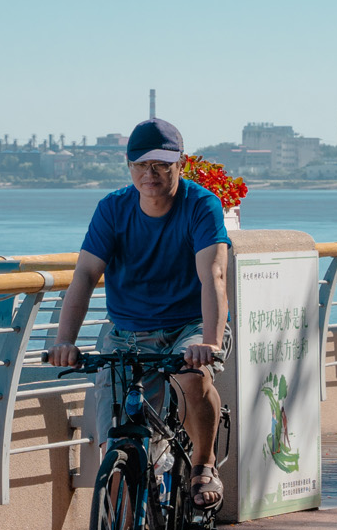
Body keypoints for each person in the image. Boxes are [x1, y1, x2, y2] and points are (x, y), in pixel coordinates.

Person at [47, 118, 230, 509]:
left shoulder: (201, 206)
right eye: (142, 165)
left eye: (162, 165)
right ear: (129, 167)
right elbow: (84, 275)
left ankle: (203, 464)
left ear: (180, 164)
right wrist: (64, 341)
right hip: (126, 331)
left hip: (189, 326)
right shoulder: (113, 209)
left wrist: (210, 343)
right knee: (115, 441)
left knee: (192, 378)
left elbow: (213, 275)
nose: (151, 174)